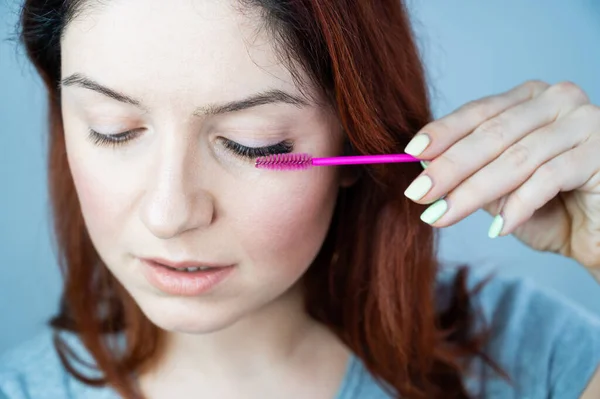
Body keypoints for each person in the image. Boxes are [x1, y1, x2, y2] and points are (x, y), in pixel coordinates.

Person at [2, 0, 600, 398]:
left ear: (354, 136)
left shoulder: (535, 358)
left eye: (251, 144)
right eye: (113, 129)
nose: (170, 214)